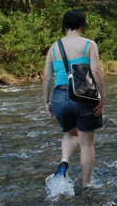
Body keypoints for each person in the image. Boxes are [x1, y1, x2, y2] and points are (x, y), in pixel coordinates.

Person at [42, 10, 106, 187]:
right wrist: (102, 97)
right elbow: (96, 71)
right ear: (82, 26)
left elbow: (47, 77)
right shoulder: (88, 45)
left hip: (59, 97)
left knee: (70, 134)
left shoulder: (54, 47)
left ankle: (64, 162)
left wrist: (47, 102)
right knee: (86, 144)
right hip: (83, 96)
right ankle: (86, 184)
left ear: (64, 26)